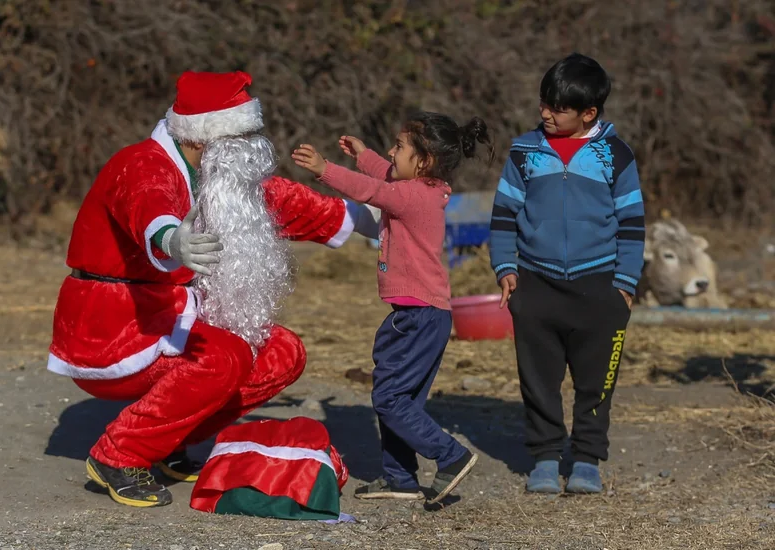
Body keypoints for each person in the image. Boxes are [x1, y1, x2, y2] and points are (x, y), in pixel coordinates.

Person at [47, 70, 374, 508]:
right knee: (224, 357)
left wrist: (376, 218)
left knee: (281, 352)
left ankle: (166, 441)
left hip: (171, 315)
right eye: (240, 136)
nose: (252, 146)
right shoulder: (142, 163)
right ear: (203, 137)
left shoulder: (223, 179)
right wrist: (172, 240)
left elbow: (288, 203)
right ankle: (119, 454)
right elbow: (149, 205)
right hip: (114, 323)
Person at [292, 111, 492, 504]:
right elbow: (385, 174)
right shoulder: (423, 187)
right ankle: (400, 478)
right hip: (420, 314)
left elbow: (371, 191)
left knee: (389, 399)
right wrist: (363, 154)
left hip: (418, 316)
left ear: (424, 162)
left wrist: (324, 169)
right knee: (402, 399)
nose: (390, 151)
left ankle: (451, 456)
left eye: (399, 147)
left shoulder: (411, 195)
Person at [489, 53, 645, 494]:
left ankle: (588, 459)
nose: (545, 113)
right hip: (536, 284)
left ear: (588, 114)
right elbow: (503, 217)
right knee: (538, 378)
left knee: (596, 380)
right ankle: (544, 456)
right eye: (544, 103)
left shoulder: (615, 156)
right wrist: (505, 268)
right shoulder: (524, 152)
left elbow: (633, 223)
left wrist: (625, 285)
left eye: (557, 108)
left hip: (600, 286)